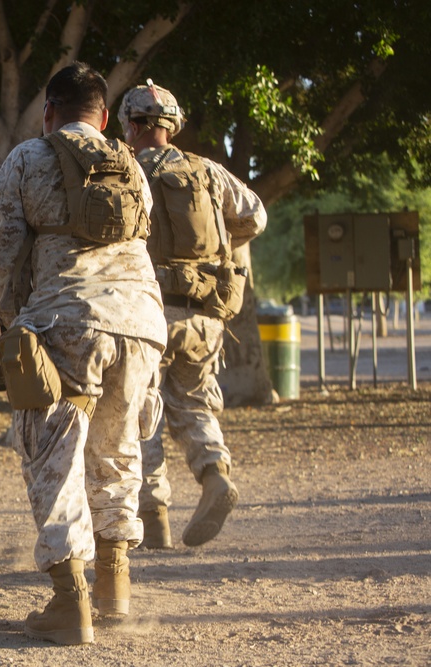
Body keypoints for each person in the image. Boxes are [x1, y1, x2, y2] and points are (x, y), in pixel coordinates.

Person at [0, 62, 166, 644]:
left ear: (48, 111)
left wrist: (8, 322)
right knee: (118, 448)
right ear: (106, 117)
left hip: (66, 321)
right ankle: (115, 586)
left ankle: (70, 601)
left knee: (53, 453)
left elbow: (1, 249)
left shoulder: (26, 158)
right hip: (142, 324)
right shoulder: (131, 164)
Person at [118, 81, 268, 549]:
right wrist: (218, 243)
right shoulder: (207, 171)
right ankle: (214, 473)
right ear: (174, 125)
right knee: (193, 403)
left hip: (146, 313)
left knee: (141, 412)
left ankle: (154, 519)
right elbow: (256, 216)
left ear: (130, 126)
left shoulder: (122, 172)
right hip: (205, 314)